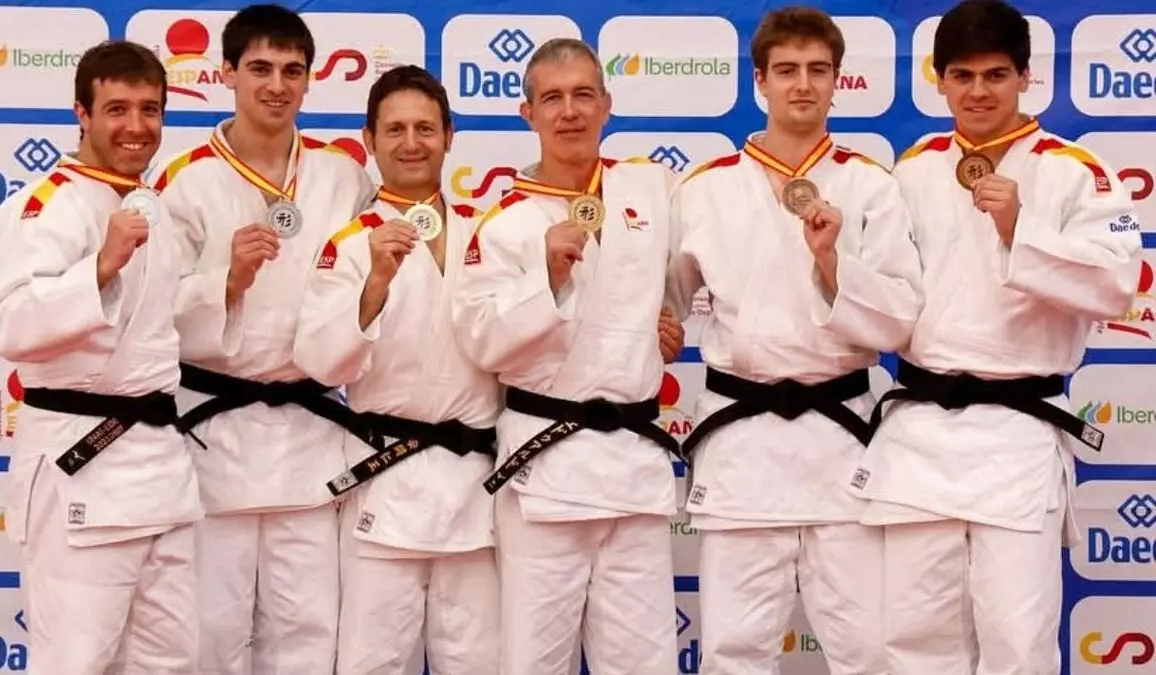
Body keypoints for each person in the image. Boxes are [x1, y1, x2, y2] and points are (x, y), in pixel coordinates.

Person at [848, 1, 1144, 673]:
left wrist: (1020, 227)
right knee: (913, 641)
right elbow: (886, 289)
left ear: (1026, 78)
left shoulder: (1078, 171)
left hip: (1016, 434)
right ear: (939, 80)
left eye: (995, 75)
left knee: (1018, 640)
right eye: (962, 76)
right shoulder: (913, 169)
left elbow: (1117, 286)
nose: (978, 92)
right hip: (920, 432)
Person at [664, 7, 922, 674]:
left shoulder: (870, 186)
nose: (802, 84)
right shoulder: (705, 189)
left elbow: (899, 320)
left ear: (838, 80)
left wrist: (833, 265)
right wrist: (656, 330)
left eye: (817, 70)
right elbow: (663, 306)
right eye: (786, 70)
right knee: (733, 651)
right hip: (742, 445)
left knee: (868, 649)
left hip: (842, 440)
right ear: (760, 80)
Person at [449, 37, 686, 675]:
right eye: (552, 98)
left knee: (645, 664)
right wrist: (547, 279)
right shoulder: (503, 224)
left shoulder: (651, 190)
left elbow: (688, 275)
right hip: (546, 467)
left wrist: (665, 323)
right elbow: (480, 341)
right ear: (528, 114)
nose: (570, 111)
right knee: (534, 661)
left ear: (607, 104)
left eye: (584, 94)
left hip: (633, 466)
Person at [151, 4, 375, 673]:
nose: (277, 85)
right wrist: (225, 281)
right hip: (214, 435)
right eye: (260, 68)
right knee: (209, 632)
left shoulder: (342, 176)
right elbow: (148, 310)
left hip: (310, 436)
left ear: (309, 80)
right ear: (226, 73)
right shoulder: (185, 180)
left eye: (292, 70)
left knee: (309, 631)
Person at [0, 40, 201, 674]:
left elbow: (161, 324)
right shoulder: (46, 204)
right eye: (117, 109)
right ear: (82, 113)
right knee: (75, 661)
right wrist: (100, 266)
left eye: (150, 109)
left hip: (160, 471)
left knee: (171, 662)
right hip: (83, 461)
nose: (136, 126)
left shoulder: (150, 205)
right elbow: (11, 325)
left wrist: (230, 283)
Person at [293, 64, 500, 675]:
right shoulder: (349, 242)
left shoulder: (489, 232)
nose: (412, 143)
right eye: (396, 130)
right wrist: (375, 283)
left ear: (449, 136)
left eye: (425, 129)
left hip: (474, 486)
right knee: (370, 662)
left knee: (480, 662)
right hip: (387, 482)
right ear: (370, 140)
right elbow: (319, 360)